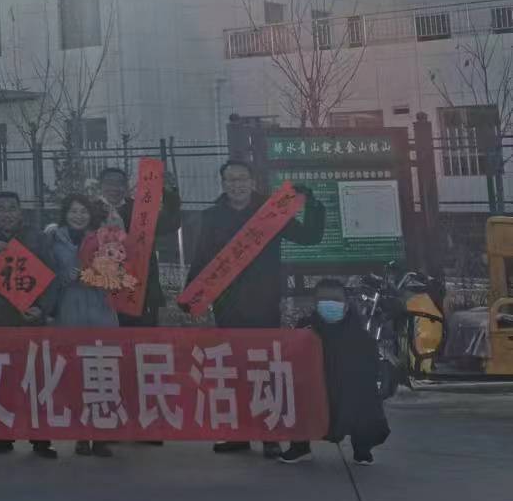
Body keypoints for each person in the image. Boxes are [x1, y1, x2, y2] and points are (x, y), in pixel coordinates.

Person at [188, 160, 326, 458]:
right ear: (223, 184)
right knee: (233, 370)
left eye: (241, 179)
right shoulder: (211, 216)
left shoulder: (271, 213)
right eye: (230, 180)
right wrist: (192, 296)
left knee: (265, 370)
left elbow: (309, 237)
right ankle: (239, 434)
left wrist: (312, 205)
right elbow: (202, 257)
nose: (236, 185)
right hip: (228, 306)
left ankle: (269, 435)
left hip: (264, 303)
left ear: (252, 182)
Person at [0, 191, 58, 460]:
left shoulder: (37, 238)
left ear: (21, 212)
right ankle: (1, 438)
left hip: (30, 320)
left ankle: (40, 439)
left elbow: (52, 277)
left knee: (35, 379)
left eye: (12, 208)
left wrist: (42, 308)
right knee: (1, 380)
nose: (7, 213)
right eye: (1, 208)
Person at [279, 279, 389, 466]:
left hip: (348, 391)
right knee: (296, 395)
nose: (330, 304)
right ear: (316, 304)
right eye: (324, 300)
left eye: (335, 299)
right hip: (315, 388)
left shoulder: (359, 335)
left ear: (346, 304)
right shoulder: (306, 328)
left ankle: (362, 448)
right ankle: (300, 447)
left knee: (365, 397)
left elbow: (370, 370)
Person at [42, 193, 118, 458]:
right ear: (65, 213)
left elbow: (117, 273)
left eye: (83, 211)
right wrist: (64, 277)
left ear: (90, 215)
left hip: (100, 312)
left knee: (102, 375)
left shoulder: (103, 238)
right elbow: (46, 273)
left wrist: (98, 275)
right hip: (69, 313)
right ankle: (81, 435)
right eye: (73, 211)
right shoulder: (53, 239)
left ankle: (102, 435)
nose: (78, 216)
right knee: (75, 376)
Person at [97, 166, 183, 328]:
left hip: (141, 287)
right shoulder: (89, 211)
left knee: (142, 336)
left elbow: (171, 223)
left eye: (119, 183)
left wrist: (168, 191)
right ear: (100, 185)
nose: (114, 188)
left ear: (126, 187)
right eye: (109, 183)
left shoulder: (140, 209)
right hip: (103, 290)